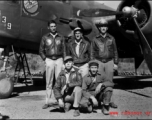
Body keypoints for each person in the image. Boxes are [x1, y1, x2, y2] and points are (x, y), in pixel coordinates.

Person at [90, 18, 118, 109]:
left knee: (109, 82)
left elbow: (115, 51)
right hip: (99, 62)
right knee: (98, 82)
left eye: (105, 26)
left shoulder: (112, 38)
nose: (103, 28)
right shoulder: (95, 39)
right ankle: (98, 101)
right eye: (101, 26)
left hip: (109, 61)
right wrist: (92, 64)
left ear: (107, 28)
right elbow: (92, 53)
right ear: (99, 28)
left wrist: (116, 63)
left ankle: (108, 101)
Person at [39, 20, 66, 109]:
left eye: (54, 26)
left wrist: (64, 62)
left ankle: (60, 100)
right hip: (49, 59)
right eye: (51, 26)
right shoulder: (45, 37)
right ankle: (47, 101)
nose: (53, 28)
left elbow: (64, 51)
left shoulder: (61, 37)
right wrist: (45, 59)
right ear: (48, 27)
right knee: (49, 82)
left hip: (59, 59)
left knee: (60, 80)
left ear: (56, 27)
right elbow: (41, 50)